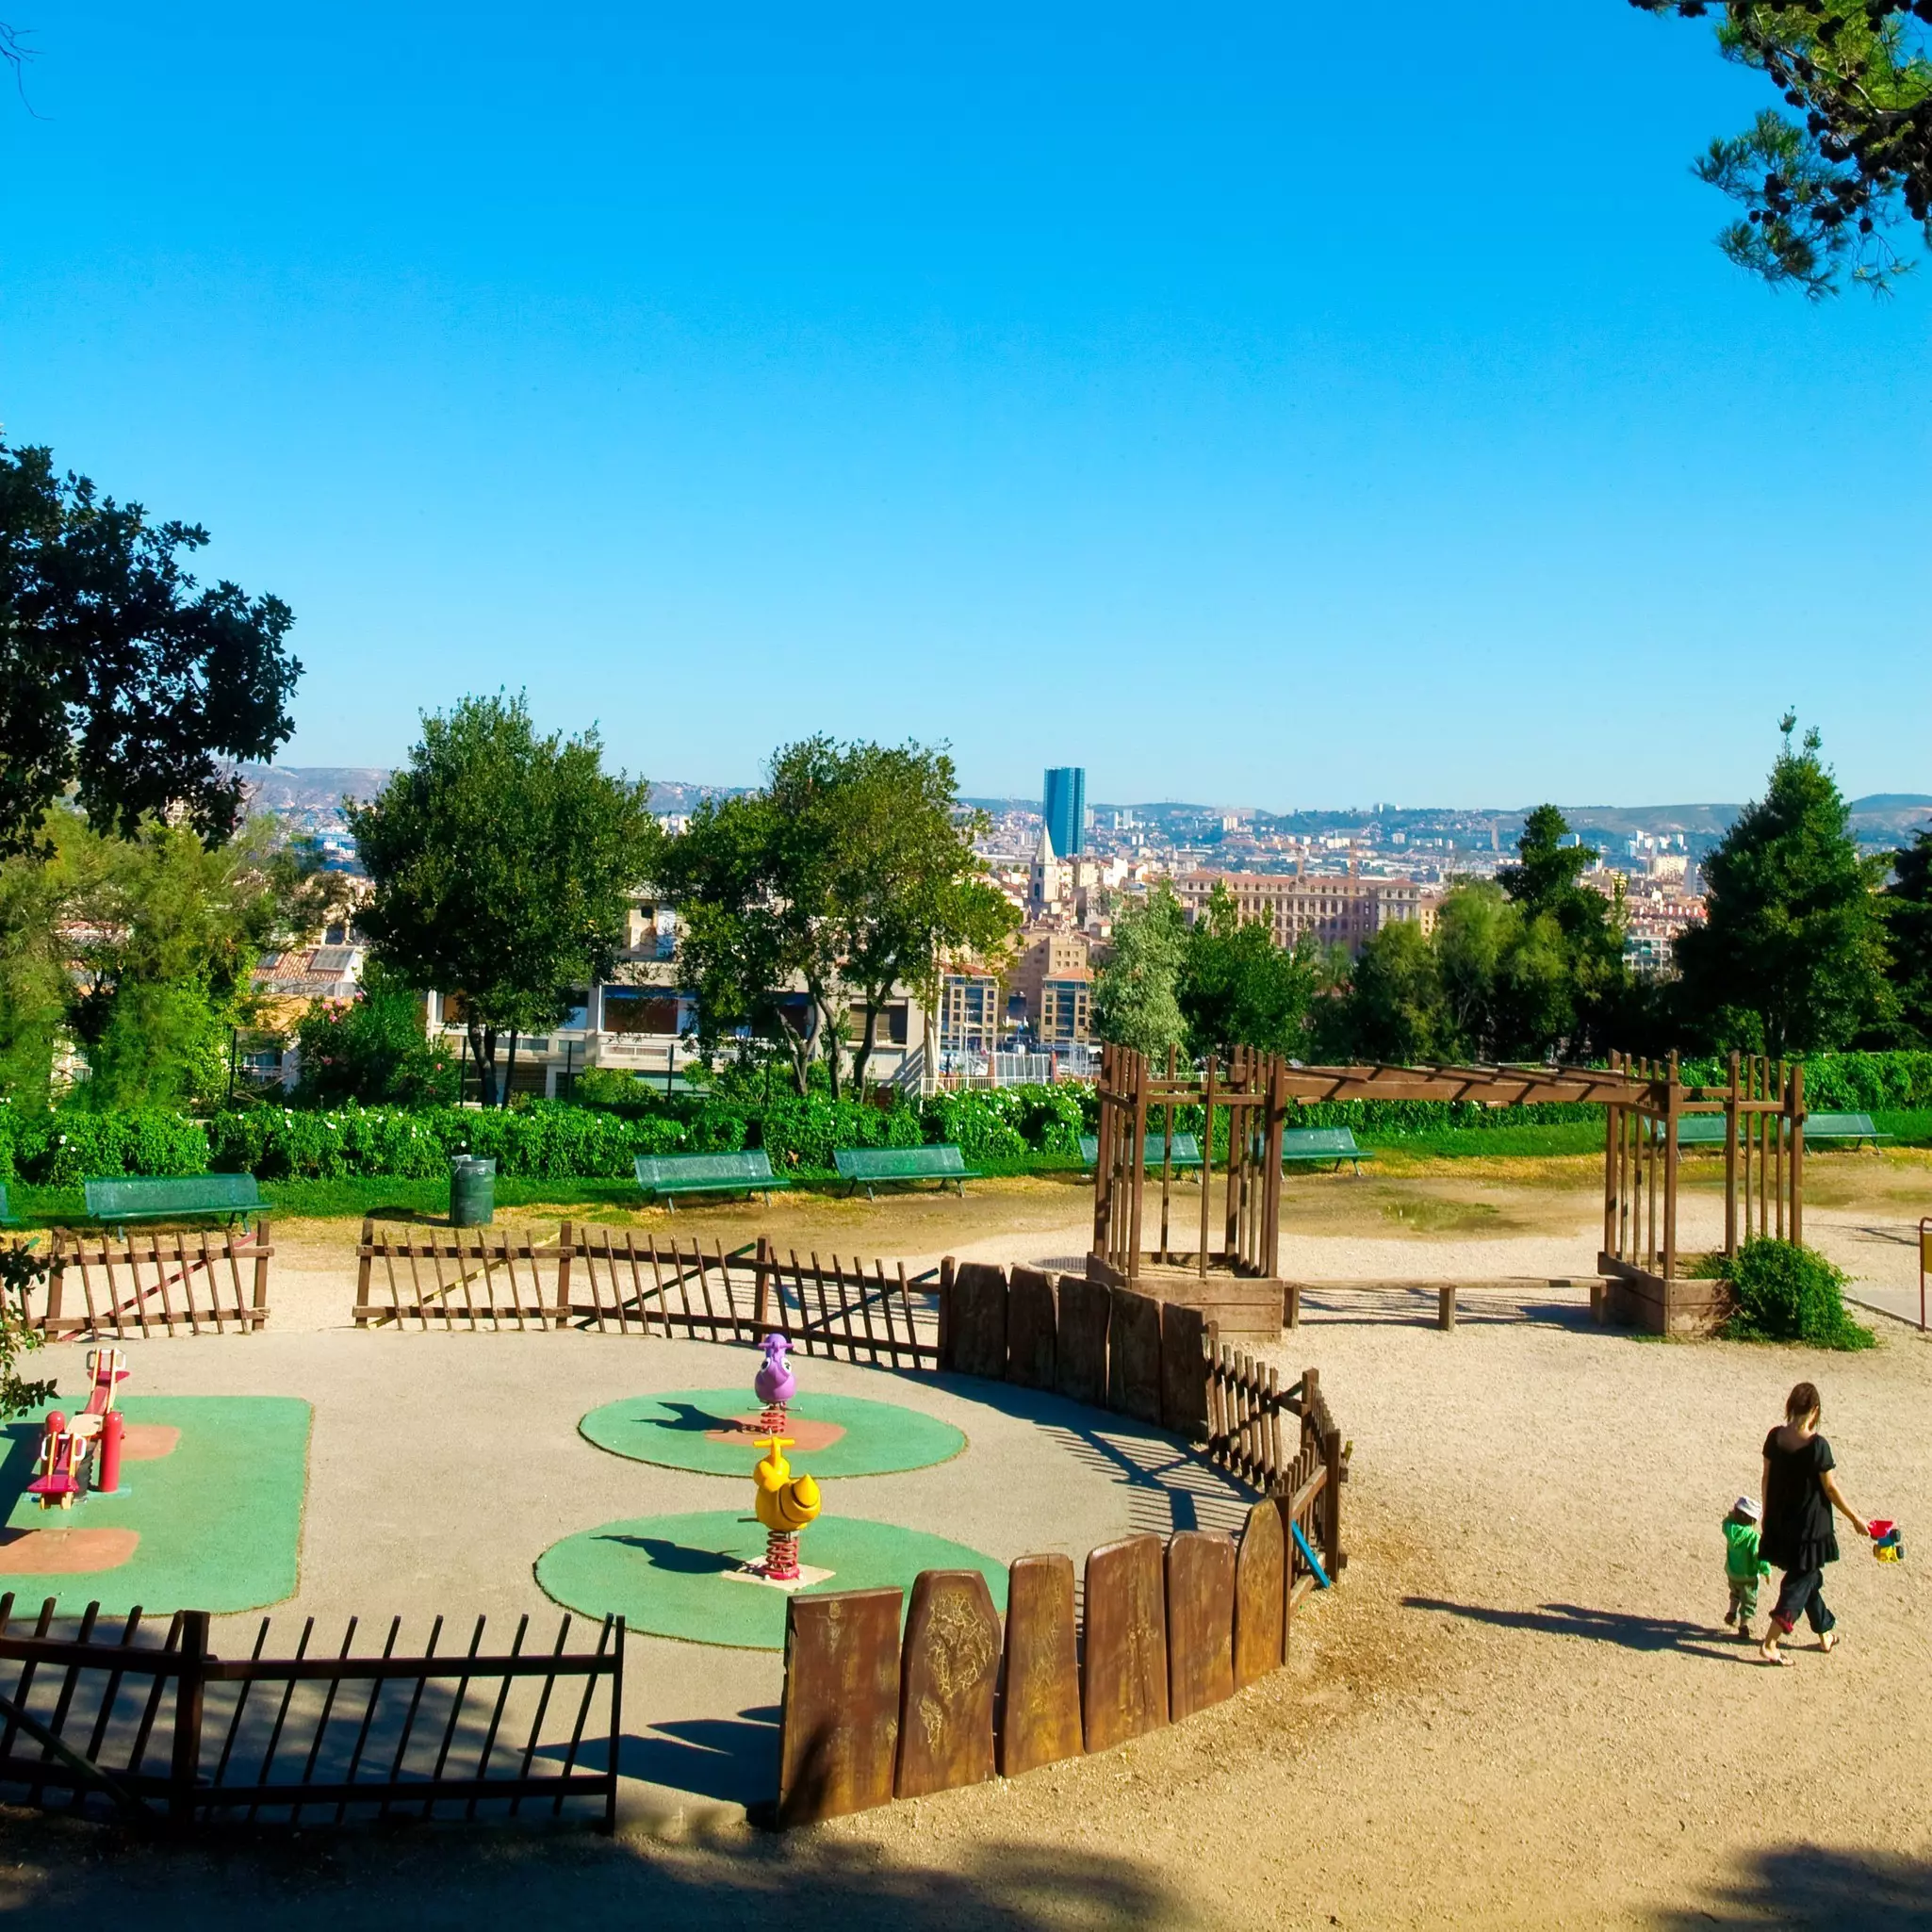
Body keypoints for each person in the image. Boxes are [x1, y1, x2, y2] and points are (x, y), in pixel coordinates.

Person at [1758, 1380, 1873, 1665]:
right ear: (1815, 1410)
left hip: (1781, 1523)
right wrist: (1856, 1518)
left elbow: (1766, 1478)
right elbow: (1830, 1490)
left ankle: (1825, 1633)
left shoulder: (1775, 1438)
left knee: (1809, 1579)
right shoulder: (1818, 1446)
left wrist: (1767, 1516)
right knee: (1801, 1580)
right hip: (1810, 1528)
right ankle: (1771, 1642)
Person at [1721, 1495, 1770, 1642]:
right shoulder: (1753, 1538)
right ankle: (1743, 1626)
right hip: (1748, 1577)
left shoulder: (1728, 1528)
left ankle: (1731, 1612)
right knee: (1748, 1602)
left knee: (1735, 1593)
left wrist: (1732, 1514)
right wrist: (1766, 1570)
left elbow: (1727, 1519)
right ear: (1753, 1520)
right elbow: (1758, 1557)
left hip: (1732, 1572)